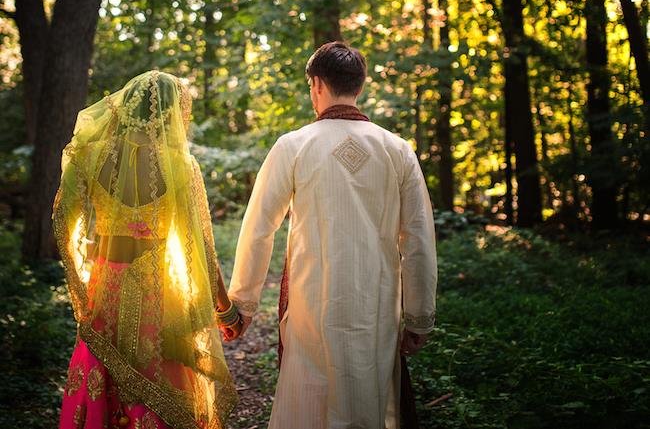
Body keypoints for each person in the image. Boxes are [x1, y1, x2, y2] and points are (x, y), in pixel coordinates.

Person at [227, 42, 438, 429]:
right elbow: (419, 239)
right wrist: (419, 316)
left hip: (312, 303)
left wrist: (242, 302)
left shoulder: (293, 145)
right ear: (359, 86)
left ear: (317, 84)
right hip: (375, 304)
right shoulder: (398, 150)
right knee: (366, 392)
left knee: (310, 398)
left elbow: (259, 227)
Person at [53, 70, 242, 429]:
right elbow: (201, 247)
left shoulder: (89, 156)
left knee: (104, 375)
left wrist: (81, 278)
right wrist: (225, 310)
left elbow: (63, 223)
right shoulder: (181, 167)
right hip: (157, 295)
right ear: (169, 112)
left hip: (105, 288)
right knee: (159, 379)